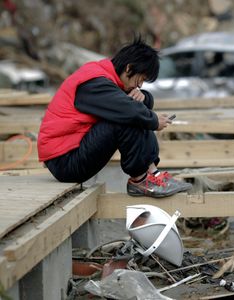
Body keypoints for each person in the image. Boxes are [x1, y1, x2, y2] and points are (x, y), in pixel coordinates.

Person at [37, 37, 192, 198]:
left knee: (133, 112)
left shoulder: (109, 79)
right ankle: (140, 181)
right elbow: (129, 111)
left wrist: (144, 98)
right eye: (141, 79)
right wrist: (154, 120)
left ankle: (154, 175)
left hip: (74, 151)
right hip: (64, 161)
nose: (139, 86)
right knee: (126, 117)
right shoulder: (93, 82)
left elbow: (136, 106)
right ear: (129, 68)